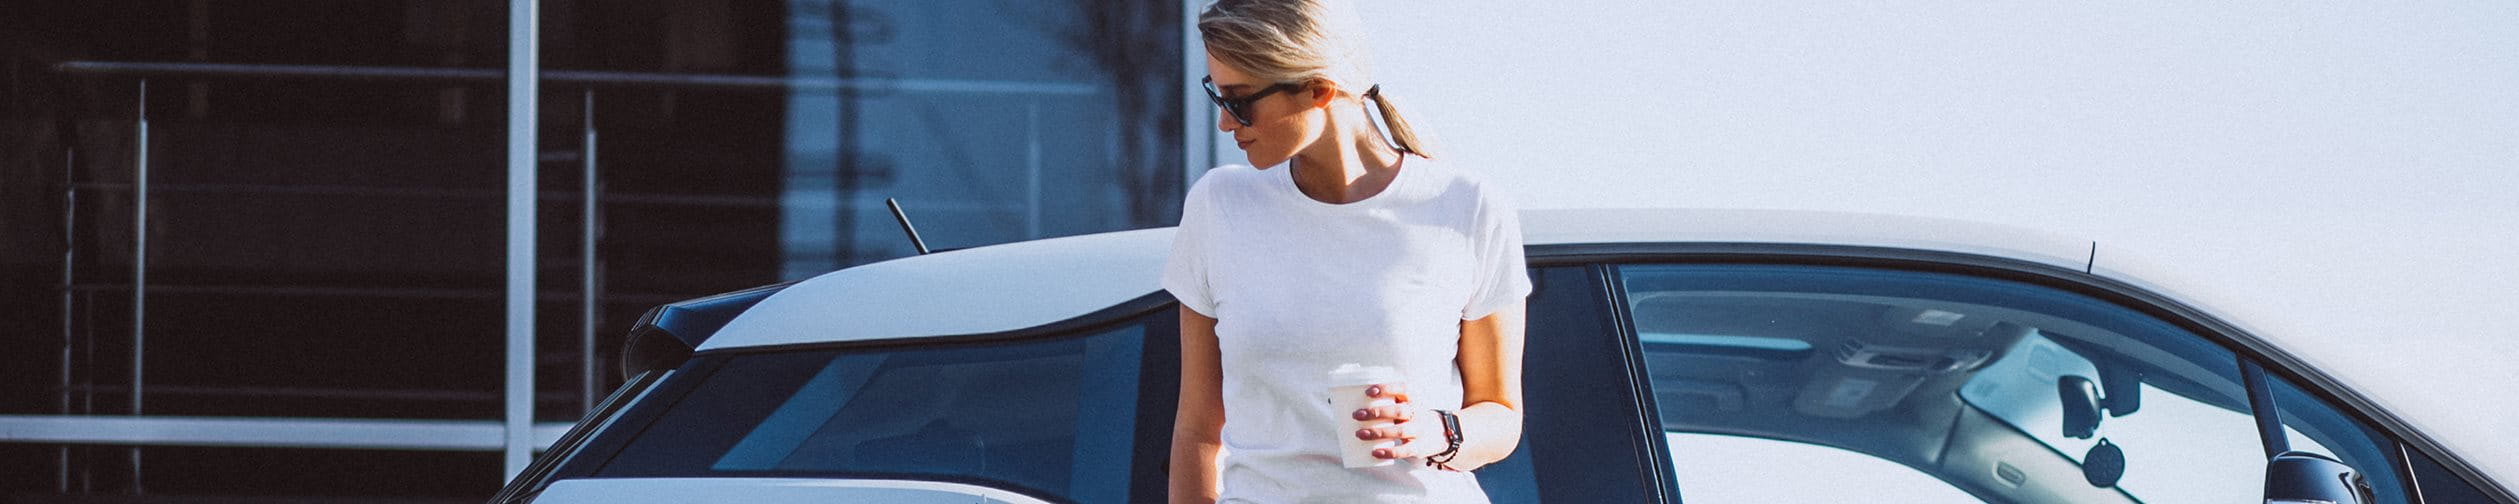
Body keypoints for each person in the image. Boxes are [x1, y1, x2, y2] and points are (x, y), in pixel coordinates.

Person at [1163, 1, 1532, 502]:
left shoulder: (1466, 207)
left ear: (1319, 89)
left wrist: (1433, 432)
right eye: (1217, 96)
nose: (1227, 124)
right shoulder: (1218, 206)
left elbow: (1501, 415)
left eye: (1241, 100)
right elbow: (1198, 431)